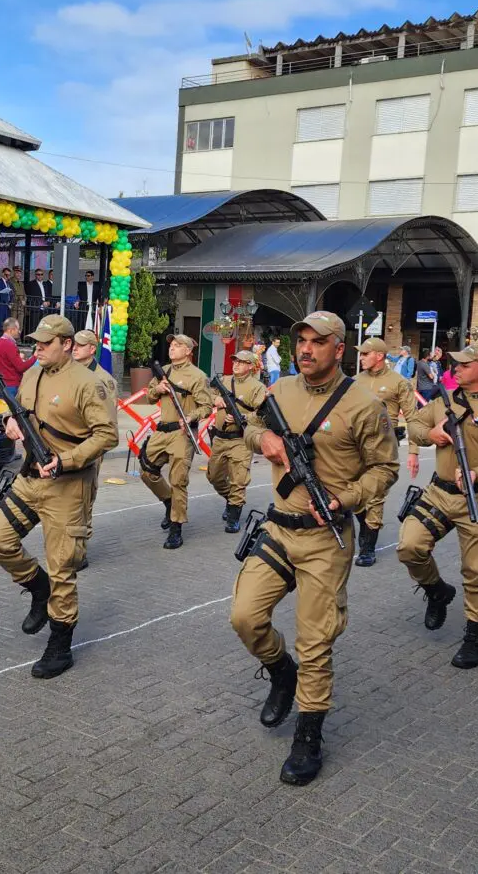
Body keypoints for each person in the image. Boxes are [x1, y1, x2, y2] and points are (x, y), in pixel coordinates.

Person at [231, 311, 399, 786]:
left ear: (338, 348)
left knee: (317, 641)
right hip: (280, 529)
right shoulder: (280, 390)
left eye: (317, 342)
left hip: (327, 539)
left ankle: (308, 735)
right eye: (300, 340)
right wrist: (261, 436)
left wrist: (343, 497)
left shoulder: (364, 405)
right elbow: (245, 426)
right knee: (245, 616)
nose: (305, 349)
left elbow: (385, 469)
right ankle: (282, 672)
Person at [0, 315, 118, 679]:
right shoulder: (32, 375)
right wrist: (10, 424)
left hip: (68, 486)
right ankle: (38, 588)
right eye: (36, 342)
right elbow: (22, 416)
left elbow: (107, 435)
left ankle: (60, 644)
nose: (37, 348)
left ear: (67, 345)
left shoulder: (90, 384)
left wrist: (67, 460)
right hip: (30, 479)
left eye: (46, 343)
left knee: (62, 567)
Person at [396, 343, 478, 669]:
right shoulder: (446, 401)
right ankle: (437, 590)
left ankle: (475, 635)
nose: (456, 367)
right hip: (439, 492)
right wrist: (432, 433)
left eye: (465, 364)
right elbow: (413, 423)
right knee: (409, 545)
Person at [140, 334, 213, 550]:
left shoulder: (198, 376)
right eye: (171, 345)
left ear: (188, 351)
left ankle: (176, 527)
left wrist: (191, 416)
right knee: (146, 470)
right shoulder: (164, 371)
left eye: (178, 345)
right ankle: (169, 501)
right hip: (162, 430)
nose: (172, 348)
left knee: (178, 480)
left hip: (182, 433)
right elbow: (149, 397)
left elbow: (206, 406)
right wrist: (158, 389)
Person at [354, 337, 418, 565]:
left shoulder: (399, 382)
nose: (360, 358)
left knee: (375, 494)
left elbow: (413, 418)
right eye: (360, 354)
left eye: (365, 354)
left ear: (379, 356)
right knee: (355, 493)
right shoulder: (354, 381)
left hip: (383, 445)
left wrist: (414, 452)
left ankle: (367, 547)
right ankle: (364, 527)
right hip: (355, 445)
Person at [72, 328, 119, 567]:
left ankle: (79, 549)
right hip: (63, 446)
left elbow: (108, 424)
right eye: (73, 344)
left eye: (80, 345)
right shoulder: (65, 373)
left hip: (88, 447)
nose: (74, 348)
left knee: (83, 497)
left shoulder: (104, 381)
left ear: (92, 349)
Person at [208, 349, 267, 534]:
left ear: (250, 366)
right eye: (235, 361)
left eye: (241, 362)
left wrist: (242, 417)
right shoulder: (224, 381)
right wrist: (214, 398)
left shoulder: (257, 387)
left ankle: (234, 515)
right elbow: (205, 394)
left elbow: (263, 414)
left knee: (238, 480)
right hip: (219, 438)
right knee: (214, 477)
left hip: (241, 440)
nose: (236, 364)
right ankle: (231, 499)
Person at [0, 317, 34, 398]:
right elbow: (21, 367)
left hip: (1, 384)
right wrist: (34, 357)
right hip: (11, 385)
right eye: (17, 329)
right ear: (10, 330)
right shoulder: (9, 345)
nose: (19, 331)